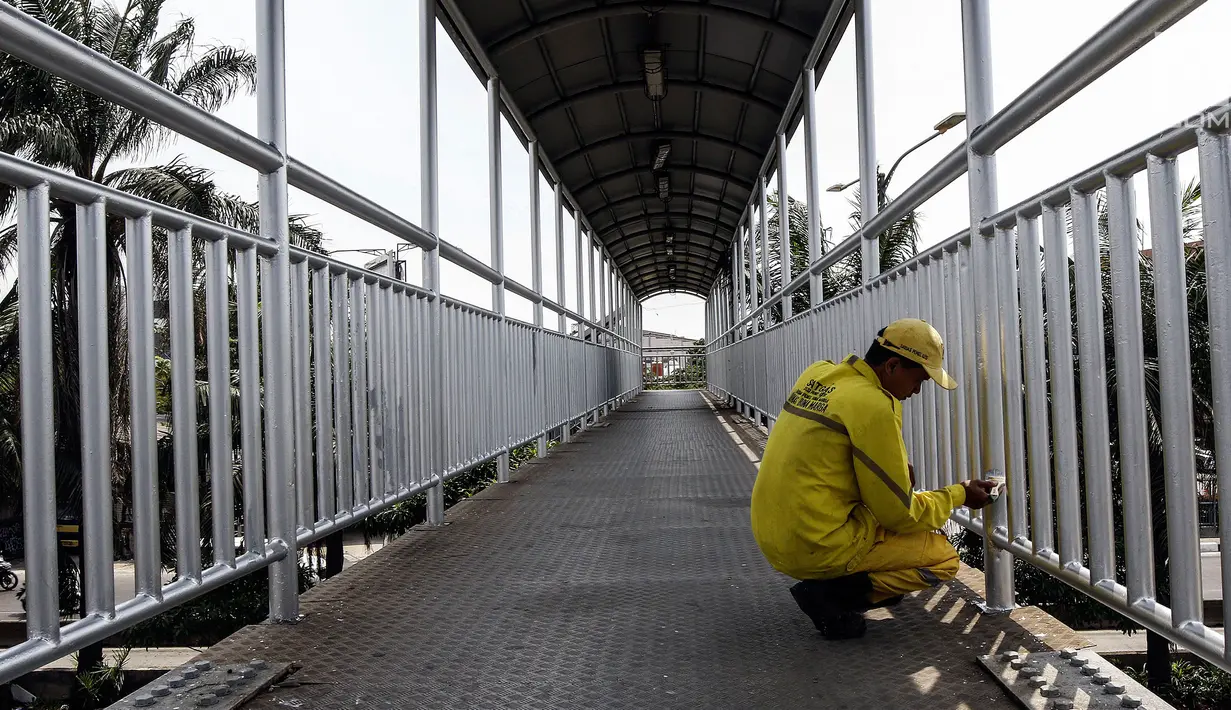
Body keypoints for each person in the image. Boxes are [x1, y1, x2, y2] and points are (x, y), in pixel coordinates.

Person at [750, 318, 996, 640]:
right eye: (919, 379)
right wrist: (960, 495)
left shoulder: (818, 374)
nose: (918, 391)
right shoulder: (874, 405)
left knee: (883, 520)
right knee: (943, 560)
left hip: (770, 532)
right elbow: (900, 514)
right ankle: (831, 597)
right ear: (893, 366)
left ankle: (838, 583)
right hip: (813, 544)